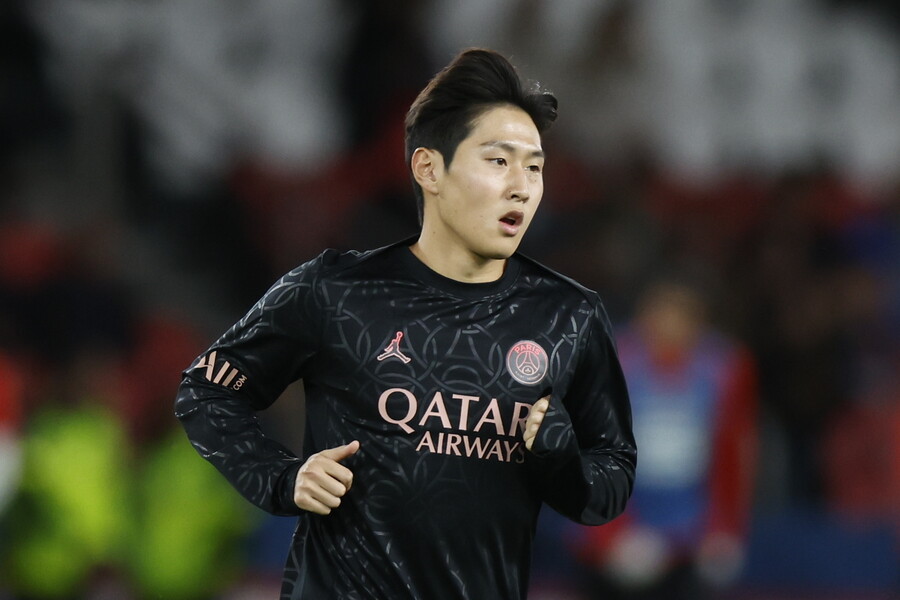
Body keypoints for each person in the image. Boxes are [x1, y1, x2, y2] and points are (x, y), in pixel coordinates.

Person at [175, 48, 636, 600]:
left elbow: (612, 478)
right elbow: (205, 391)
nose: (522, 185)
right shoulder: (335, 291)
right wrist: (281, 477)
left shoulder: (569, 316)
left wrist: (564, 465)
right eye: (498, 161)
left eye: (534, 167)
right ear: (428, 169)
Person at [575, 278, 757, 600]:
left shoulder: (724, 369)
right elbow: (589, 449)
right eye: (663, 313)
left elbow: (733, 453)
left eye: (684, 315)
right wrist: (609, 534)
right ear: (644, 315)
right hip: (620, 531)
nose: (671, 326)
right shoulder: (611, 360)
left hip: (691, 533)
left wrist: (725, 530)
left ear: (700, 321)